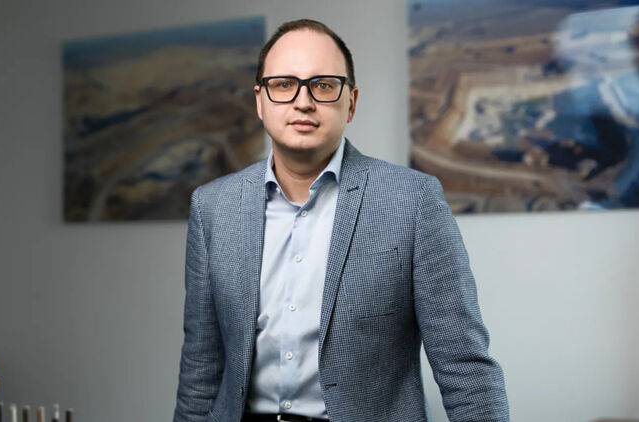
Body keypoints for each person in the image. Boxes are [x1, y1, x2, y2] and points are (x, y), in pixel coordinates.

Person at [174, 19, 509, 422]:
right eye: (284, 84)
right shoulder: (213, 207)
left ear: (351, 102)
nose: (303, 102)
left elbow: (465, 367)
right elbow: (200, 371)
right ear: (260, 101)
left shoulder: (412, 201)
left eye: (323, 85)